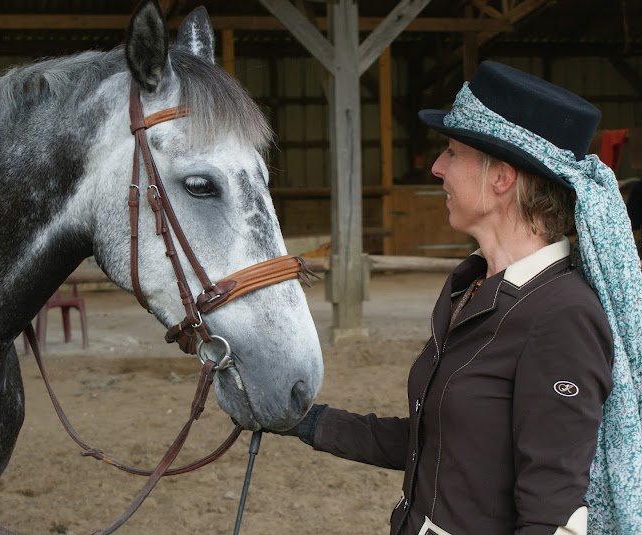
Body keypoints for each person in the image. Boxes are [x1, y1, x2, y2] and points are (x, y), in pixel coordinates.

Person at [274, 61, 642, 535]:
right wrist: (307, 422)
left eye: (451, 152)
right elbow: (441, 441)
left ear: (501, 178)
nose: (437, 167)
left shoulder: (562, 315)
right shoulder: (474, 287)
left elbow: (552, 515)